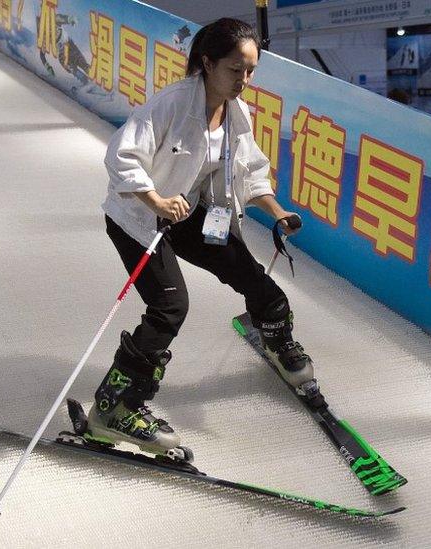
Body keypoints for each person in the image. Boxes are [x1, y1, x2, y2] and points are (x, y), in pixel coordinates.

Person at [90, 18, 314, 455]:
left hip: (192, 212)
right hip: (141, 218)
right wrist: (155, 200)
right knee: (170, 305)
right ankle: (114, 407)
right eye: (235, 70)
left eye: (250, 71)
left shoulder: (237, 113)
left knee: (249, 273)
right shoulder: (171, 104)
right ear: (207, 63)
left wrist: (277, 211)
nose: (244, 81)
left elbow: (248, 170)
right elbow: (121, 156)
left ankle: (276, 338)